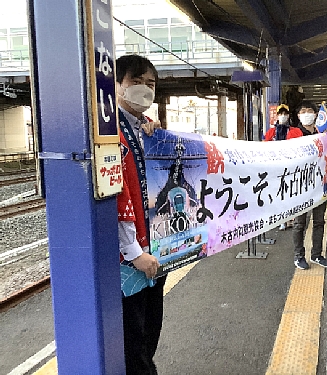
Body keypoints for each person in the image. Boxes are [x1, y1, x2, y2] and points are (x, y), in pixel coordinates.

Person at [116, 54, 165, 375]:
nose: (145, 90)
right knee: (135, 346)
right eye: (136, 82)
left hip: (154, 247)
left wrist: (156, 140)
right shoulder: (112, 132)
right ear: (116, 85)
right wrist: (134, 253)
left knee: (149, 336)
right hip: (134, 258)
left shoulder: (140, 131)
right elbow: (117, 195)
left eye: (151, 84)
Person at [292, 100, 327, 270]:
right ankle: (299, 256)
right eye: (303, 111)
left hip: (320, 186)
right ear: (298, 115)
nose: (306, 113)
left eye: (309, 111)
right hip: (299, 187)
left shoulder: (324, 136)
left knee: (319, 221)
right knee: (299, 223)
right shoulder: (292, 135)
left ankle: (316, 255)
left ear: (316, 115)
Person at [264, 103, 301, 230]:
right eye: (281, 114)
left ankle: (290, 218)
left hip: (291, 168)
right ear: (277, 116)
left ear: (289, 115)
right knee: (278, 194)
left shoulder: (295, 131)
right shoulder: (271, 133)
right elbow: (264, 149)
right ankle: (280, 220)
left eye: (285, 114)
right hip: (275, 169)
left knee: (291, 193)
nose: (283, 116)